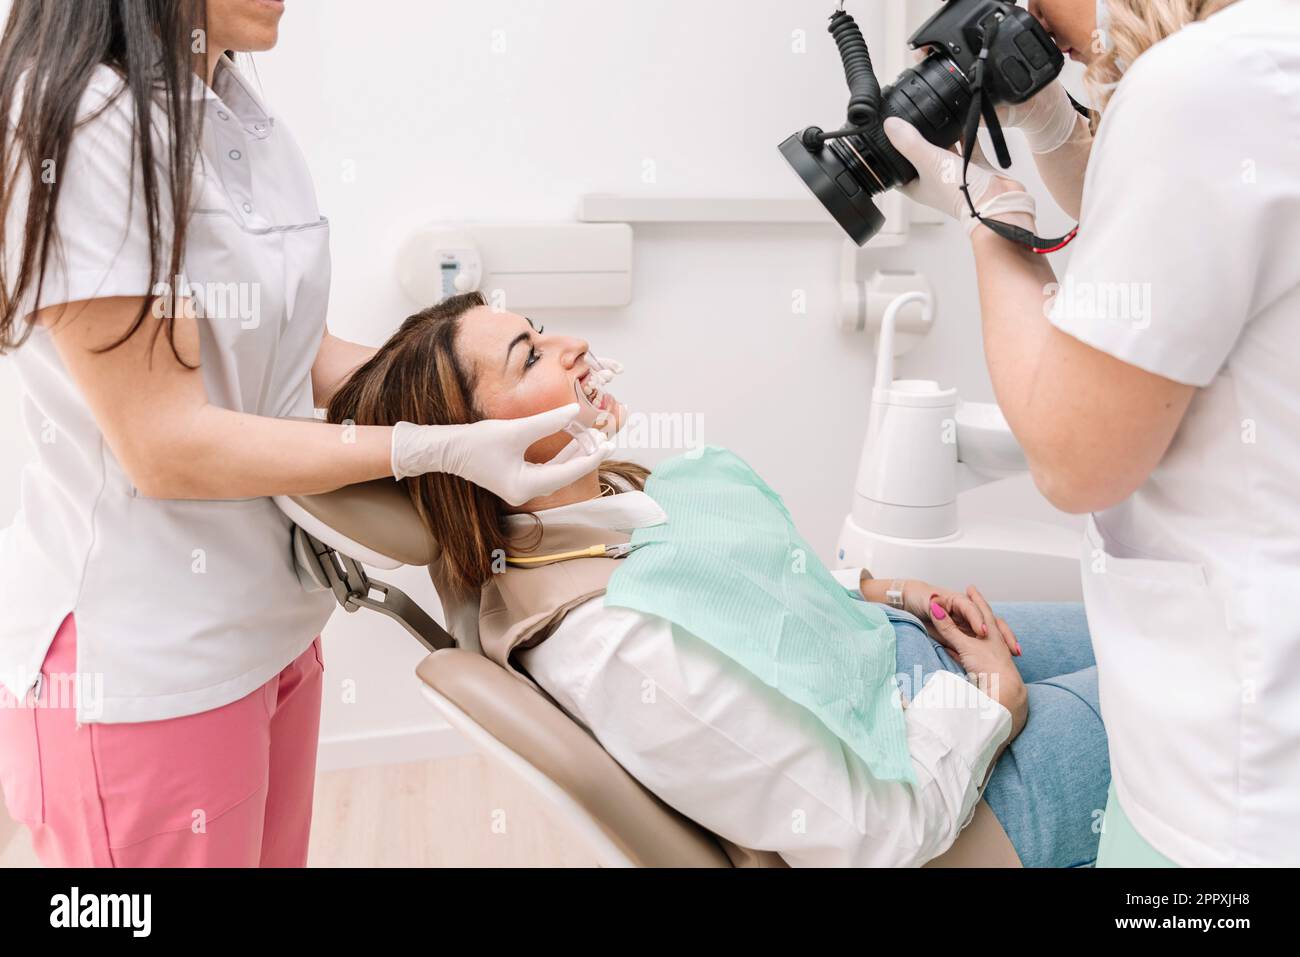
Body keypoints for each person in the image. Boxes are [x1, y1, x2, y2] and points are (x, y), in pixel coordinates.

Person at [0, 0, 612, 868]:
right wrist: (424, 446)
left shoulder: (242, 121)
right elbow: (165, 443)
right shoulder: (83, 128)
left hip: (275, 626)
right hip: (148, 666)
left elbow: (297, 349)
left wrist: (507, 408)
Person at [324, 292, 1111, 867]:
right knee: (1183, 683)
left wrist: (885, 593)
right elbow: (880, 832)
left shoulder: (592, 517)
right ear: (476, 447)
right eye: (529, 357)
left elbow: (744, 603)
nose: (567, 344)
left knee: (1130, 629)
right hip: (945, 798)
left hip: (895, 662)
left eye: (536, 328)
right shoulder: (619, 646)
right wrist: (989, 704)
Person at [883, 0, 1300, 866]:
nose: (1027, 18)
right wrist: (1048, 125)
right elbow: (1166, 244)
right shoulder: (1258, 59)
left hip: (1232, 797)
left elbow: (1074, 460)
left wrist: (988, 219)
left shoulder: (1197, 85)